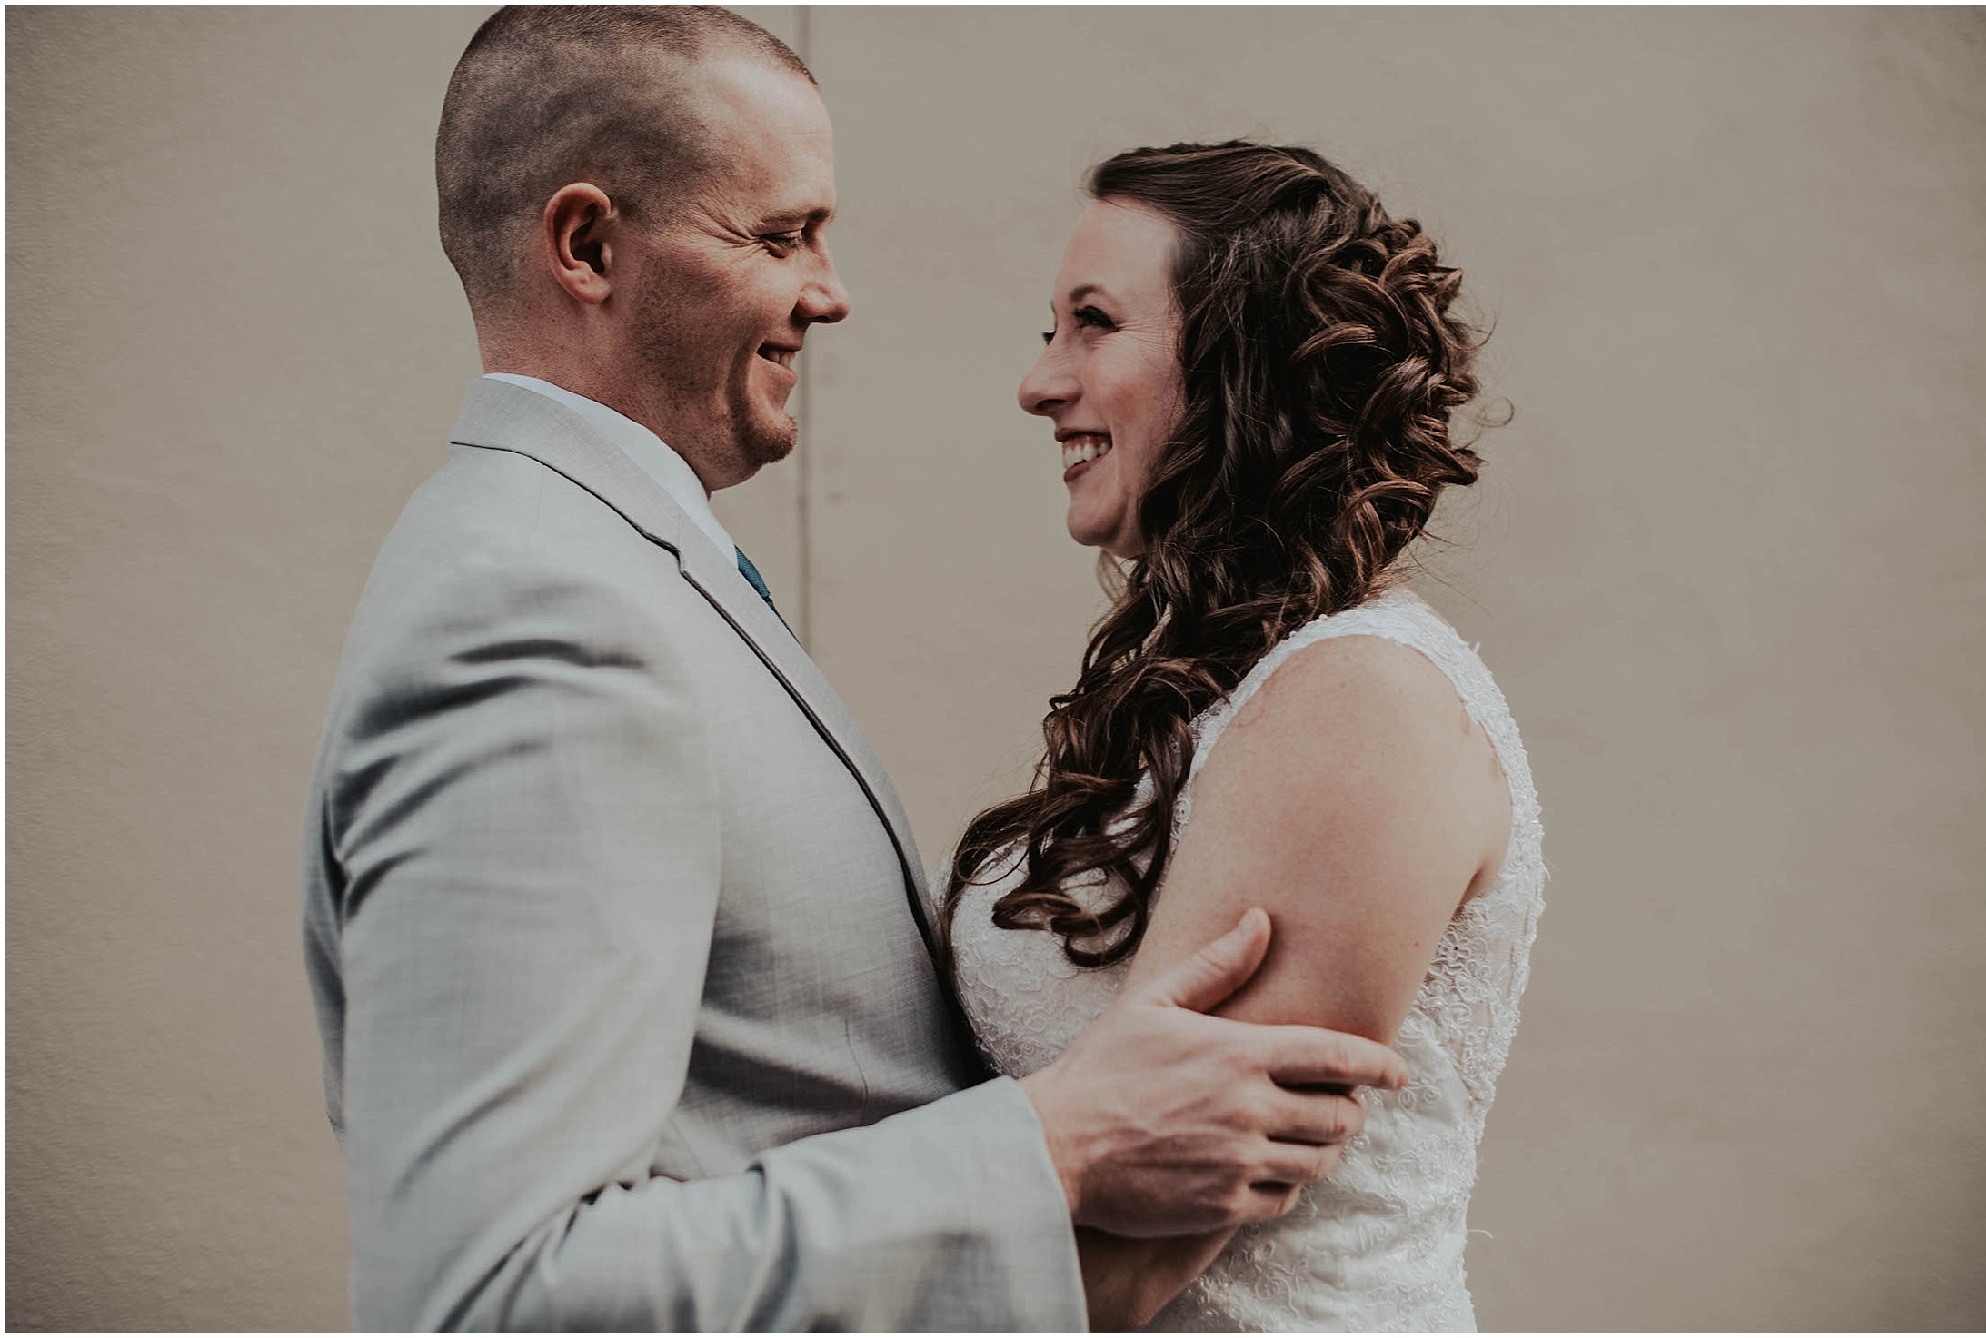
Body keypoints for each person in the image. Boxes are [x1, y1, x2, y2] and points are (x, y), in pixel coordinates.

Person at [301, 11, 1411, 1331]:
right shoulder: (538, 618)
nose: (830, 291)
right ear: (590, 246)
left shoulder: (603, 565)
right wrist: (1047, 1140)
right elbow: (484, 1298)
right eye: (780, 235)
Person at [941, 141, 1548, 1330]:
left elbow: (1128, 1255)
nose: (1037, 381)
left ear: (1236, 364)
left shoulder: (1355, 706)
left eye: (1091, 325)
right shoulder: (1222, 683)